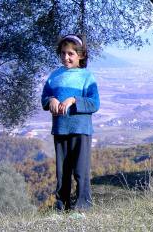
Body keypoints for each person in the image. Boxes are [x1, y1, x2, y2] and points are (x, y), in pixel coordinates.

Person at [41, 34, 100, 211]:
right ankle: (61, 208)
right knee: (62, 173)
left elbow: (94, 104)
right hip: (60, 129)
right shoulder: (54, 76)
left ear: (80, 55)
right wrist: (50, 100)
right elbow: (44, 98)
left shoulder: (87, 77)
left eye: (71, 54)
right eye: (63, 53)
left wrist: (74, 100)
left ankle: (83, 207)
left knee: (80, 172)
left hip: (81, 130)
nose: (66, 57)